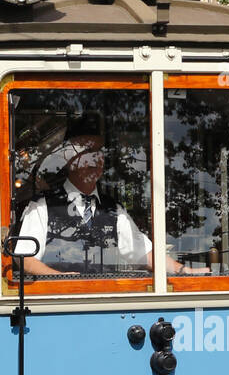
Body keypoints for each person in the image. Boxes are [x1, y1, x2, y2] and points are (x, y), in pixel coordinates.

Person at [12, 112, 185, 278]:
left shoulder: (113, 209)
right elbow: (25, 258)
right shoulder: (43, 205)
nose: (95, 158)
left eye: (99, 151)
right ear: (67, 157)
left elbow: (143, 253)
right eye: (87, 151)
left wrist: (183, 271)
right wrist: (59, 278)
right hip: (61, 302)